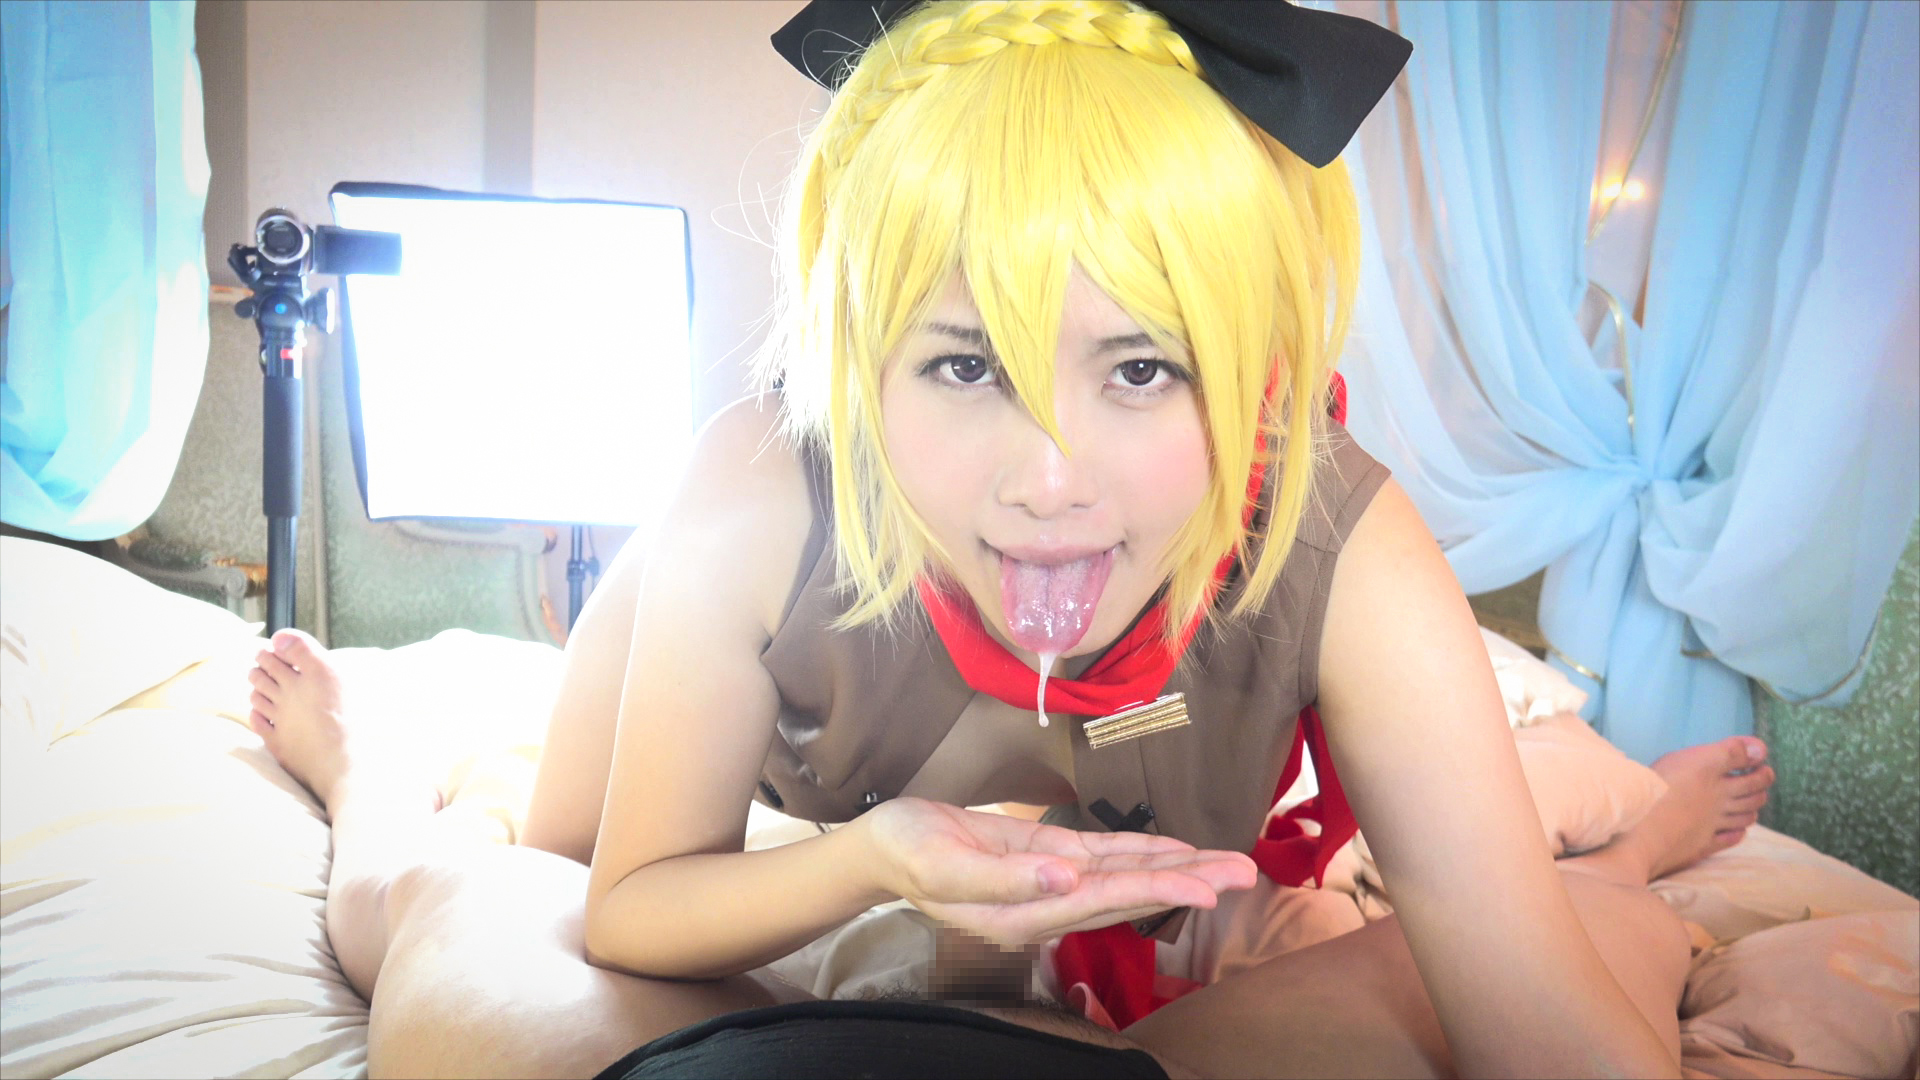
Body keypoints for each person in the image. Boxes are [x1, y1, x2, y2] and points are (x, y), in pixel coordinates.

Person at [245, 2, 1776, 1076]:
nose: (1050, 481)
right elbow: (637, 904)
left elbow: (1538, 1027)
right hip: (717, 673)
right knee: (457, 895)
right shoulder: (762, 490)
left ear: (1247, 374)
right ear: (866, 364)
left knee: (1544, 916)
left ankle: (1631, 848)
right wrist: (870, 861)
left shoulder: (1337, 542)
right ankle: (370, 772)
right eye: (966, 365)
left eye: (1142, 369)